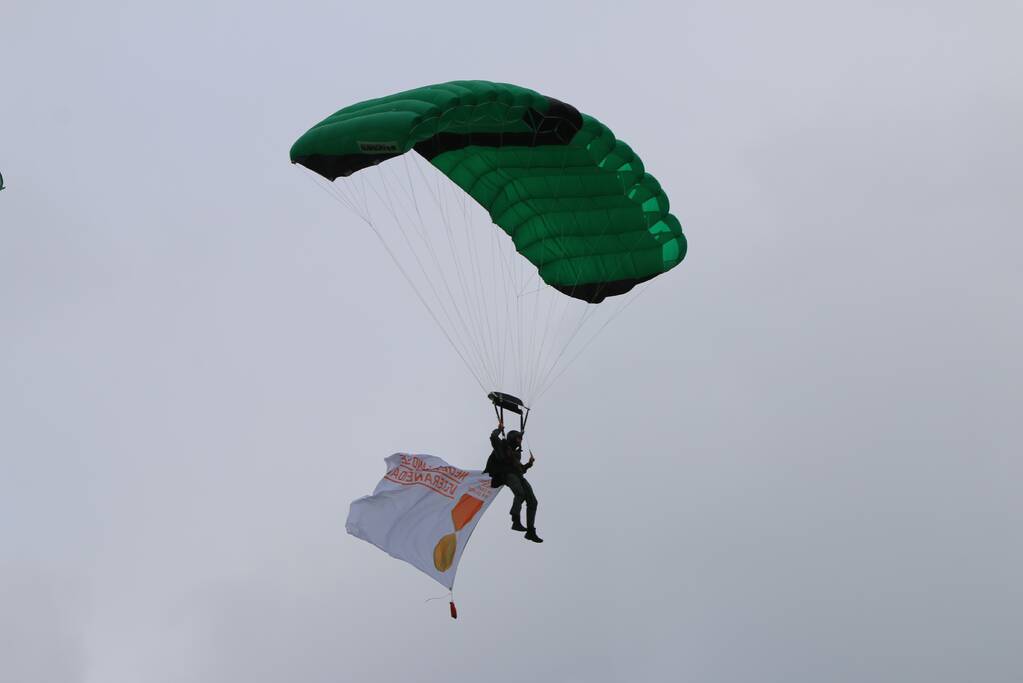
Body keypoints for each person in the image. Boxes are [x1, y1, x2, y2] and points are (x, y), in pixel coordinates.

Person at [484, 418, 542, 543]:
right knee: (520, 493)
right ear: (513, 438)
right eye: (518, 438)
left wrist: (529, 464)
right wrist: (499, 429)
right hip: (506, 474)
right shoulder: (503, 446)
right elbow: (493, 438)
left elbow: (520, 469)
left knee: (533, 501)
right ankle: (515, 520)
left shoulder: (516, 455)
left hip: (519, 476)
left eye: (520, 439)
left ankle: (530, 532)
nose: (520, 441)